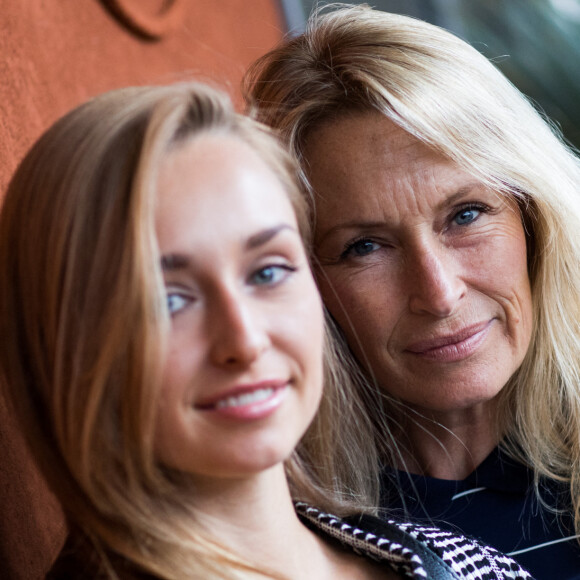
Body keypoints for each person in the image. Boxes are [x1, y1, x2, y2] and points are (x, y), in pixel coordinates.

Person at [0, 81, 533, 579]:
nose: (245, 341)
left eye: (268, 271)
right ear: (66, 346)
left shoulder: (470, 562)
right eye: (167, 299)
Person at [244, 4, 580, 579]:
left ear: (532, 218)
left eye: (467, 215)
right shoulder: (273, 525)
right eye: (364, 247)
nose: (439, 293)